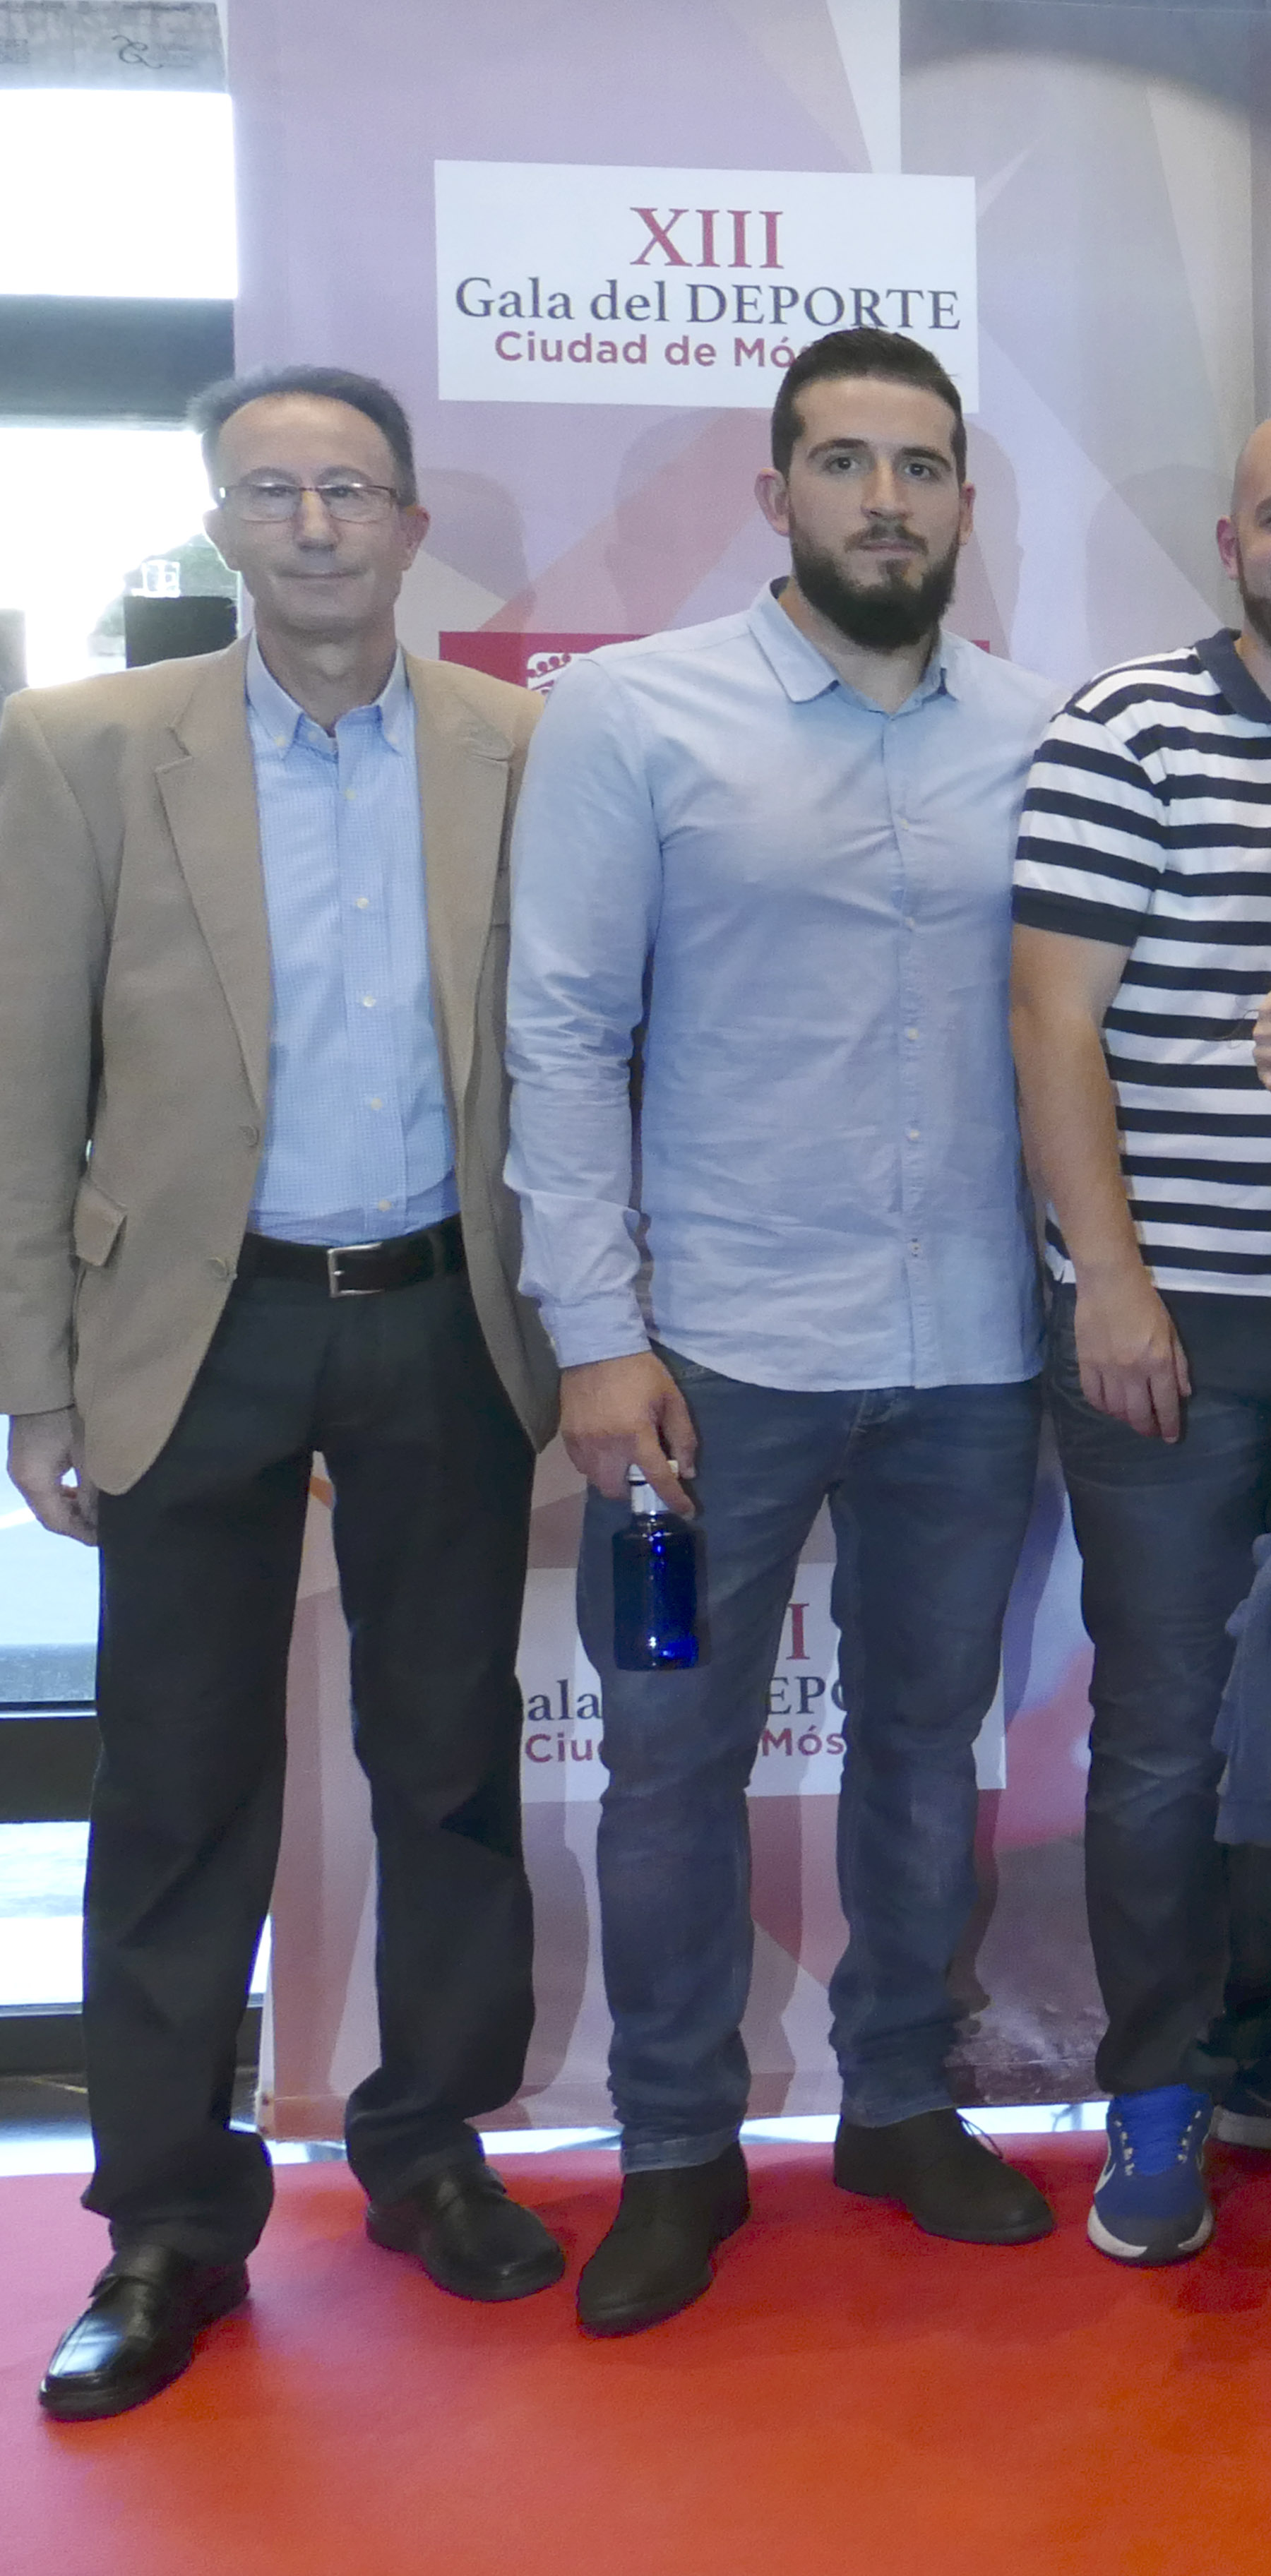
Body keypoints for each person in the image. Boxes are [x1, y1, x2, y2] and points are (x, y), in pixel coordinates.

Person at [1, 369, 561, 2420]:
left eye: (350, 490)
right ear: (220, 525)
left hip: (442, 1315)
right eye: (273, 492)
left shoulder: (524, 749)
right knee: (175, 1785)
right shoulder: (80, 748)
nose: (315, 524)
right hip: (193, 1326)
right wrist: (31, 1382)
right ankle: (167, 2220)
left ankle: (431, 2145)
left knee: (451, 1758)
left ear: (411, 527)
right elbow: (22, 1077)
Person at [507, 330, 1060, 2334]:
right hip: (703, 1374)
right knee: (668, 1752)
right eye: (843, 462)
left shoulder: (1041, 733)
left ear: (964, 503)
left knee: (923, 1742)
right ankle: (676, 2147)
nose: (884, 501)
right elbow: (562, 1030)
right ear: (777, 495)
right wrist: (596, 1334)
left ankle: (900, 2102)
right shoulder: (631, 715)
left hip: (969, 1361)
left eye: (919, 467)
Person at [1008, 407, 1271, 2270]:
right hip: (1164, 1327)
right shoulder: (1128, 733)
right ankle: (1158, 2082)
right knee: (1172, 1731)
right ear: (1231, 543)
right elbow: (1050, 1022)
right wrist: (1108, 1277)